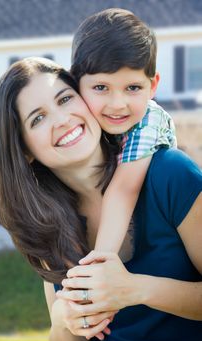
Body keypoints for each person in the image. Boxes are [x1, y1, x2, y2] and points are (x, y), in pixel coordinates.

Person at [0, 56, 202, 341]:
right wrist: (64, 318)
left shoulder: (170, 174)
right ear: (24, 150)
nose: (62, 120)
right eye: (38, 119)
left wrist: (135, 290)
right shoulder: (46, 223)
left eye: (65, 99)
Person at [71, 8, 177, 256]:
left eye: (132, 87)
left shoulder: (149, 120)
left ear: (152, 86)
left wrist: (101, 261)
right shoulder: (84, 123)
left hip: (162, 235)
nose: (118, 104)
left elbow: (124, 190)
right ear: (76, 84)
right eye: (100, 87)